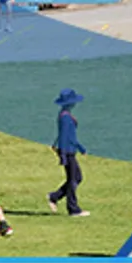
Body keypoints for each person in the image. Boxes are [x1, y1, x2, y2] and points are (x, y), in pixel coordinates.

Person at [48, 88, 90, 217]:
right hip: (68, 151)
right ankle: (73, 209)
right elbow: (65, 137)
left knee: (77, 177)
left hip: (69, 149)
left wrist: (80, 148)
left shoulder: (65, 115)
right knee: (73, 179)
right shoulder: (65, 117)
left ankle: (55, 196)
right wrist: (64, 155)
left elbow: (67, 136)